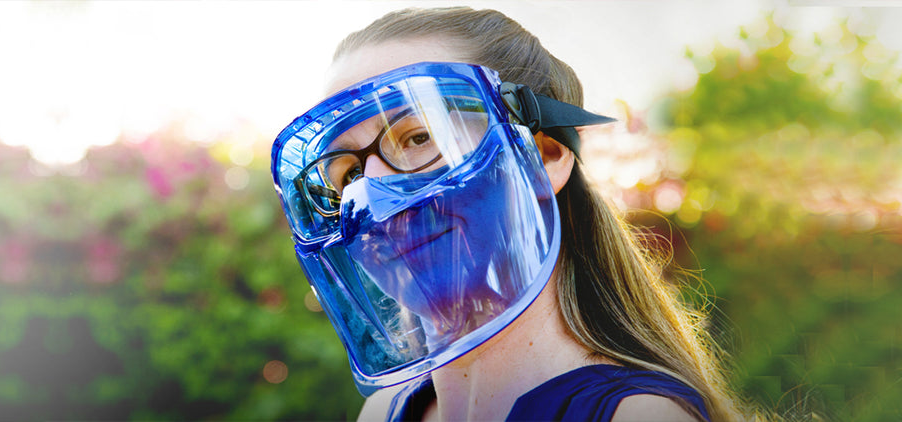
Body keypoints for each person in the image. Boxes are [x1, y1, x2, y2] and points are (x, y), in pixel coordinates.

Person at [269, 6, 745, 422]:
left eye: (419, 137)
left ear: (546, 155)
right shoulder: (381, 413)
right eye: (348, 174)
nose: (374, 204)